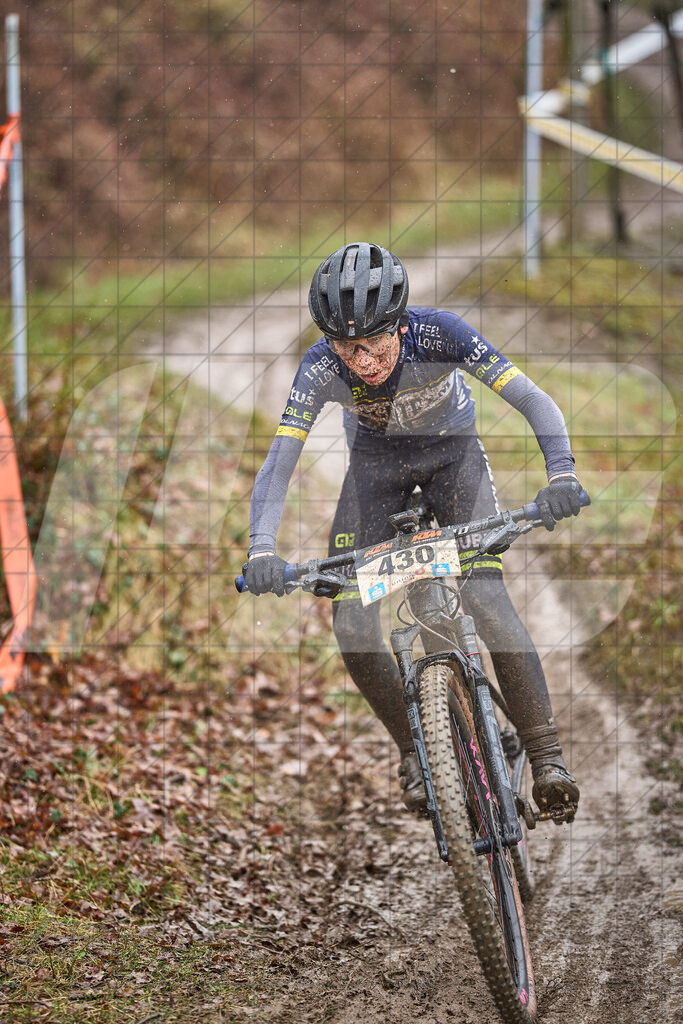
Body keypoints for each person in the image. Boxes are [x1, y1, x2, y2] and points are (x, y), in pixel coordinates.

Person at [243, 242, 582, 821]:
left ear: (400, 324)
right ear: (329, 341)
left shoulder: (442, 333)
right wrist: (262, 548)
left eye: (375, 340)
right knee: (349, 619)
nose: (364, 358)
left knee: (485, 594)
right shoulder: (321, 367)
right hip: (375, 477)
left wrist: (562, 474)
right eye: (348, 347)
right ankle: (415, 751)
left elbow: (530, 398)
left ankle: (547, 759)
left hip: (455, 463)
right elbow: (280, 461)